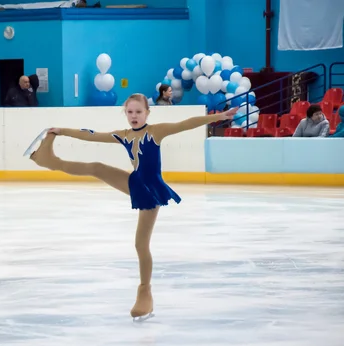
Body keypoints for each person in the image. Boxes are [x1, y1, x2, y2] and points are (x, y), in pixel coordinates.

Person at [26, 93, 237, 320]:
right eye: (130, 112)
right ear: (125, 113)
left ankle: (145, 292)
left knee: (140, 244)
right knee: (96, 167)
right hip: (135, 182)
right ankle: (49, 160)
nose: (134, 116)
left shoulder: (156, 131)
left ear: (147, 113)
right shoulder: (124, 134)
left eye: (138, 112)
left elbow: (185, 124)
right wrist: (61, 130)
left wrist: (219, 117)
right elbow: (92, 135)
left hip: (151, 190)